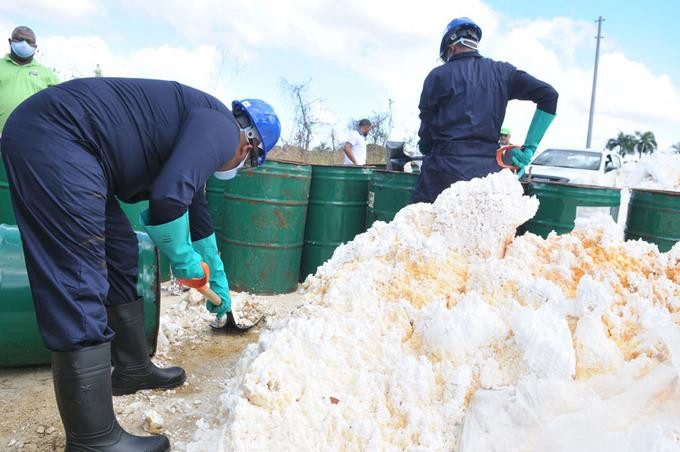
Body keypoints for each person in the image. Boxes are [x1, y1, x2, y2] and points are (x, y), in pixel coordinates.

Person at [1, 77, 280, 451]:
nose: (237, 166)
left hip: (80, 150)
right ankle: (93, 439)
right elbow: (167, 199)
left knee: (121, 251)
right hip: (57, 136)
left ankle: (132, 368)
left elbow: (199, 223)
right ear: (248, 143)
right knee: (79, 275)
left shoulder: (203, 133)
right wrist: (183, 262)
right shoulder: (221, 128)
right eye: (247, 162)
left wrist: (220, 287)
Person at [412, 17, 558, 203]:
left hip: (443, 172)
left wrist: (425, 144)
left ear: (451, 48)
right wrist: (529, 148)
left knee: (421, 224)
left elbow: (427, 125)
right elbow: (549, 95)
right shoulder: (503, 72)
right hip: (487, 174)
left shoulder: (438, 75)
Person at [0, 25, 59, 132]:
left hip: (33, 136)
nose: (24, 44)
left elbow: (58, 106)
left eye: (29, 41)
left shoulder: (48, 75)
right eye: (20, 39)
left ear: (35, 46)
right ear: (10, 41)